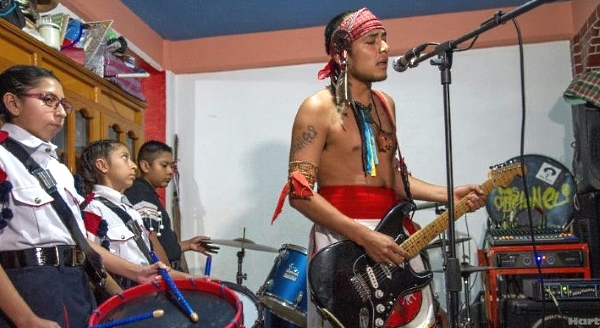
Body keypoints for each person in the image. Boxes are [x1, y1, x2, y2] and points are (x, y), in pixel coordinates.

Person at [271, 8, 487, 328]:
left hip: (395, 234)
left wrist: (449, 193)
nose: (385, 49)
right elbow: (300, 193)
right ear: (342, 52)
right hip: (343, 242)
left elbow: (393, 180)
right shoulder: (317, 108)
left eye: (385, 40)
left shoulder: (386, 103)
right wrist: (364, 237)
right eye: (372, 41)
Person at [0, 65, 166, 328]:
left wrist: (135, 271)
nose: (61, 112)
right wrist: (25, 318)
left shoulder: (59, 169)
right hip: (27, 289)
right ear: (13, 103)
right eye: (48, 100)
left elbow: (79, 242)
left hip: (75, 286)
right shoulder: (3, 159)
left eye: (63, 104)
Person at [78, 139, 198, 289]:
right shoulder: (93, 209)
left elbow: (148, 262)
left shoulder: (129, 209)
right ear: (102, 166)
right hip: (124, 298)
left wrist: (192, 279)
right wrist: (119, 297)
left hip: (146, 291)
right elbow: (92, 264)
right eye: (124, 158)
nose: (133, 165)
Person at [124, 140, 217, 272]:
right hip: (161, 274)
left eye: (172, 166)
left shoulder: (147, 192)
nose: (169, 172)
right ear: (145, 166)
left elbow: (162, 243)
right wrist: (170, 278)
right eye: (164, 165)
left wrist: (188, 245)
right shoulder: (141, 194)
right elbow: (152, 241)